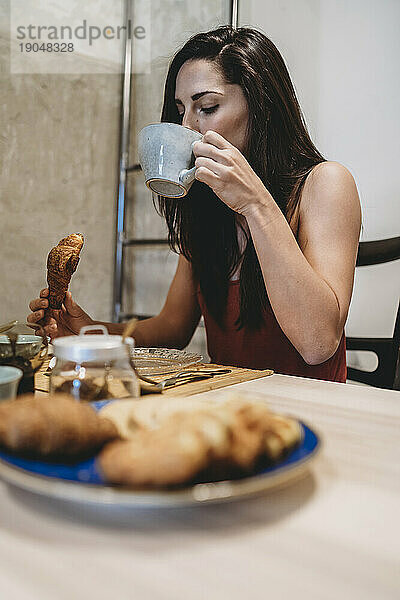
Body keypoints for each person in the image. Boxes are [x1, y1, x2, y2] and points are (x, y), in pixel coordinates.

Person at [27, 26, 361, 382]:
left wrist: (255, 204)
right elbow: (172, 328)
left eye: (207, 107)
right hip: (231, 409)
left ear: (261, 107)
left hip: (314, 411)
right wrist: (88, 332)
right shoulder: (207, 205)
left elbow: (317, 344)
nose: (186, 126)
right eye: (180, 110)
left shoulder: (325, 183)